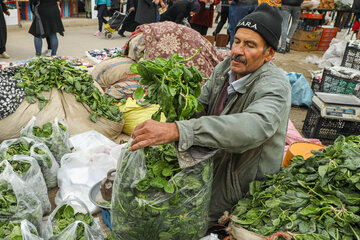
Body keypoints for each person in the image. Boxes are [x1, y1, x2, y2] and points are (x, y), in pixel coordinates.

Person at [130, 3, 291, 229]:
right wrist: (175, 96)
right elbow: (200, 106)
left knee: (187, 225)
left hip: (244, 191)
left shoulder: (275, 85)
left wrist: (179, 130)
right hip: (213, 169)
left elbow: (253, 127)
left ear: (269, 54)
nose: (237, 51)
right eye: (237, 41)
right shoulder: (226, 69)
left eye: (250, 45)